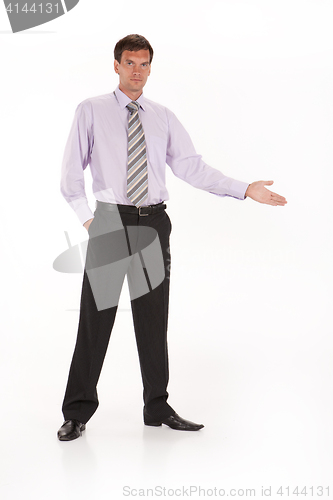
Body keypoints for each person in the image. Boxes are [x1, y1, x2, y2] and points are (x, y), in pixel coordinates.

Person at [57, 34, 287, 441]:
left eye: (144, 64)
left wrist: (243, 188)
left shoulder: (161, 115)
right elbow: (72, 176)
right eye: (129, 62)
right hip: (110, 222)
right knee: (96, 321)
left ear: (150, 67)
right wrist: (90, 221)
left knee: (152, 319)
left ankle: (157, 406)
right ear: (115, 65)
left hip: (153, 224)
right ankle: (77, 412)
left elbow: (192, 167)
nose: (137, 71)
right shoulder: (90, 110)